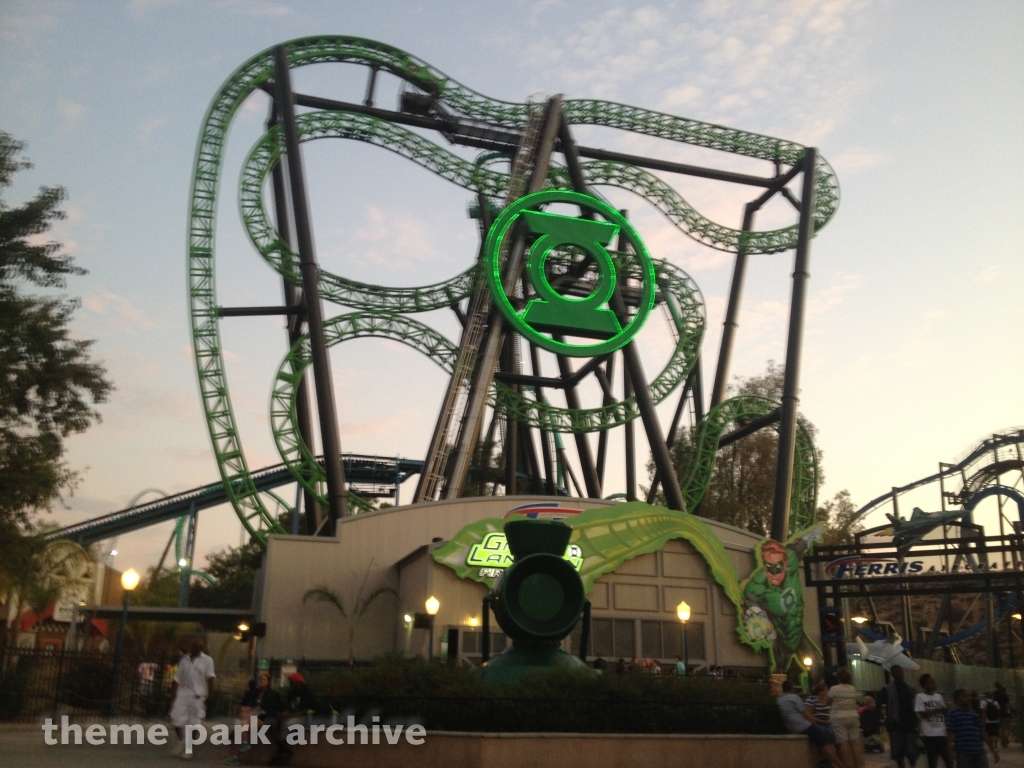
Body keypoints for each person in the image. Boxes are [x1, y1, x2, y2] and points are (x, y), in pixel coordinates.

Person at [741, 529, 821, 672]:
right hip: (780, 639)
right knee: (779, 675)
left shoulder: (791, 559)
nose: (773, 574)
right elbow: (750, 602)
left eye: (778, 567)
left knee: (818, 671)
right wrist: (755, 617)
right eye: (768, 567)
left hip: (798, 635)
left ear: (785, 564)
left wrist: (816, 532)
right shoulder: (757, 586)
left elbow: (802, 543)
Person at [777, 680, 847, 768]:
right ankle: (841, 765)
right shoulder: (794, 698)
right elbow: (807, 714)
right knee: (827, 745)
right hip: (804, 726)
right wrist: (816, 724)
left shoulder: (779, 700)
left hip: (792, 727)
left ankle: (827, 762)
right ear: (792, 688)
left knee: (825, 740)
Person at [169, 637, 216, 759]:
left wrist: (211, 693)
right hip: (183, 693)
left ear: (202, 648)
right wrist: (172, 691)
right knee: (176, 718)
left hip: (197, 695)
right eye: (193, 646)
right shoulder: (184, 660)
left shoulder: (208, 661)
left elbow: (211, 677)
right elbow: (177, 677)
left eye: (198, 646)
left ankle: (188, 749)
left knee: (194, 723)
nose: (195, 648)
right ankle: (182, 740)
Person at [226, 671, 282, 765]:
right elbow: (250, 705)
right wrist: (244, 709)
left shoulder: (271, 694)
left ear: (268, 682)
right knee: (241, 727)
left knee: (243, 724)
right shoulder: (255, 693)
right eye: (260, 679)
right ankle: (239, 751)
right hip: (253, 717)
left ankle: (240, 751)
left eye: (264, 679)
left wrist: (249, 712)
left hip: (265, 718)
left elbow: (261, 707)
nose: (262, 681)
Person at [878, 665, 920, 768]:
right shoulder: (887, 689)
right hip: (895, 724)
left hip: (909, 723)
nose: (900, 674)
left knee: (912, 752)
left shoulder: (910, 688)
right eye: (897, 672)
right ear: (892, 674)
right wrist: (885, 719)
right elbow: (880, 705)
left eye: (901, 671)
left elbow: (917, 705)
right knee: (898, 752)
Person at [947, 688, 999, 767]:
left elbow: (983, 732)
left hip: (979, 751)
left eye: (968, 696)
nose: (968, 698)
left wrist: (993, 750)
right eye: (964, 696)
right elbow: (950, 733)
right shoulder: (953, 713)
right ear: (957, 699)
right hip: (963, 752)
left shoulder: (973, 714)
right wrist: (950, 750)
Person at [829, 667, 864, 768]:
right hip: (853, 716)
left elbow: (828, 702)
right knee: (854, 743)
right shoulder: (852, 689)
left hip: (839, 718)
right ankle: (858, 765)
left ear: (838, 678)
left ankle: (848, 766)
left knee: (843, 743)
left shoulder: (834, 689)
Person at [915, 673, 951, 768]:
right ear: (925, 685)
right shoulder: (920, 696)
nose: (934, 684)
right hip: (929, 733)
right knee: (932, 758)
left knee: (947, 758)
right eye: (931, 682)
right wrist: (935, 710)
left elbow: (944, 713)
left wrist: (945, 712)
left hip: (941, 731)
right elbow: (922, 714)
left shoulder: (939, 696)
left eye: (934, 682)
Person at [980, 690, 1002, 760]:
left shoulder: (983, 702)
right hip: (995, 720)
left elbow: (983, 712)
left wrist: (982, 720)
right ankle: (995, 745)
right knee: (994, 733)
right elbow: (998, 711)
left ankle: (991, 745)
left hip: (988, 720)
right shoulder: (995, 702)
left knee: (988, 734)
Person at [992, 681, 1011, 748]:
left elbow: (992, 703)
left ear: (995, 686)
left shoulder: (994, 694)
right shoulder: (1005, 694)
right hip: (1005, 712)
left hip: (997, 713)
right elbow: (1008, 704)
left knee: (1000, 727)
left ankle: (1003, 739)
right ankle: (1006, 738)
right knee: (1007, 727)